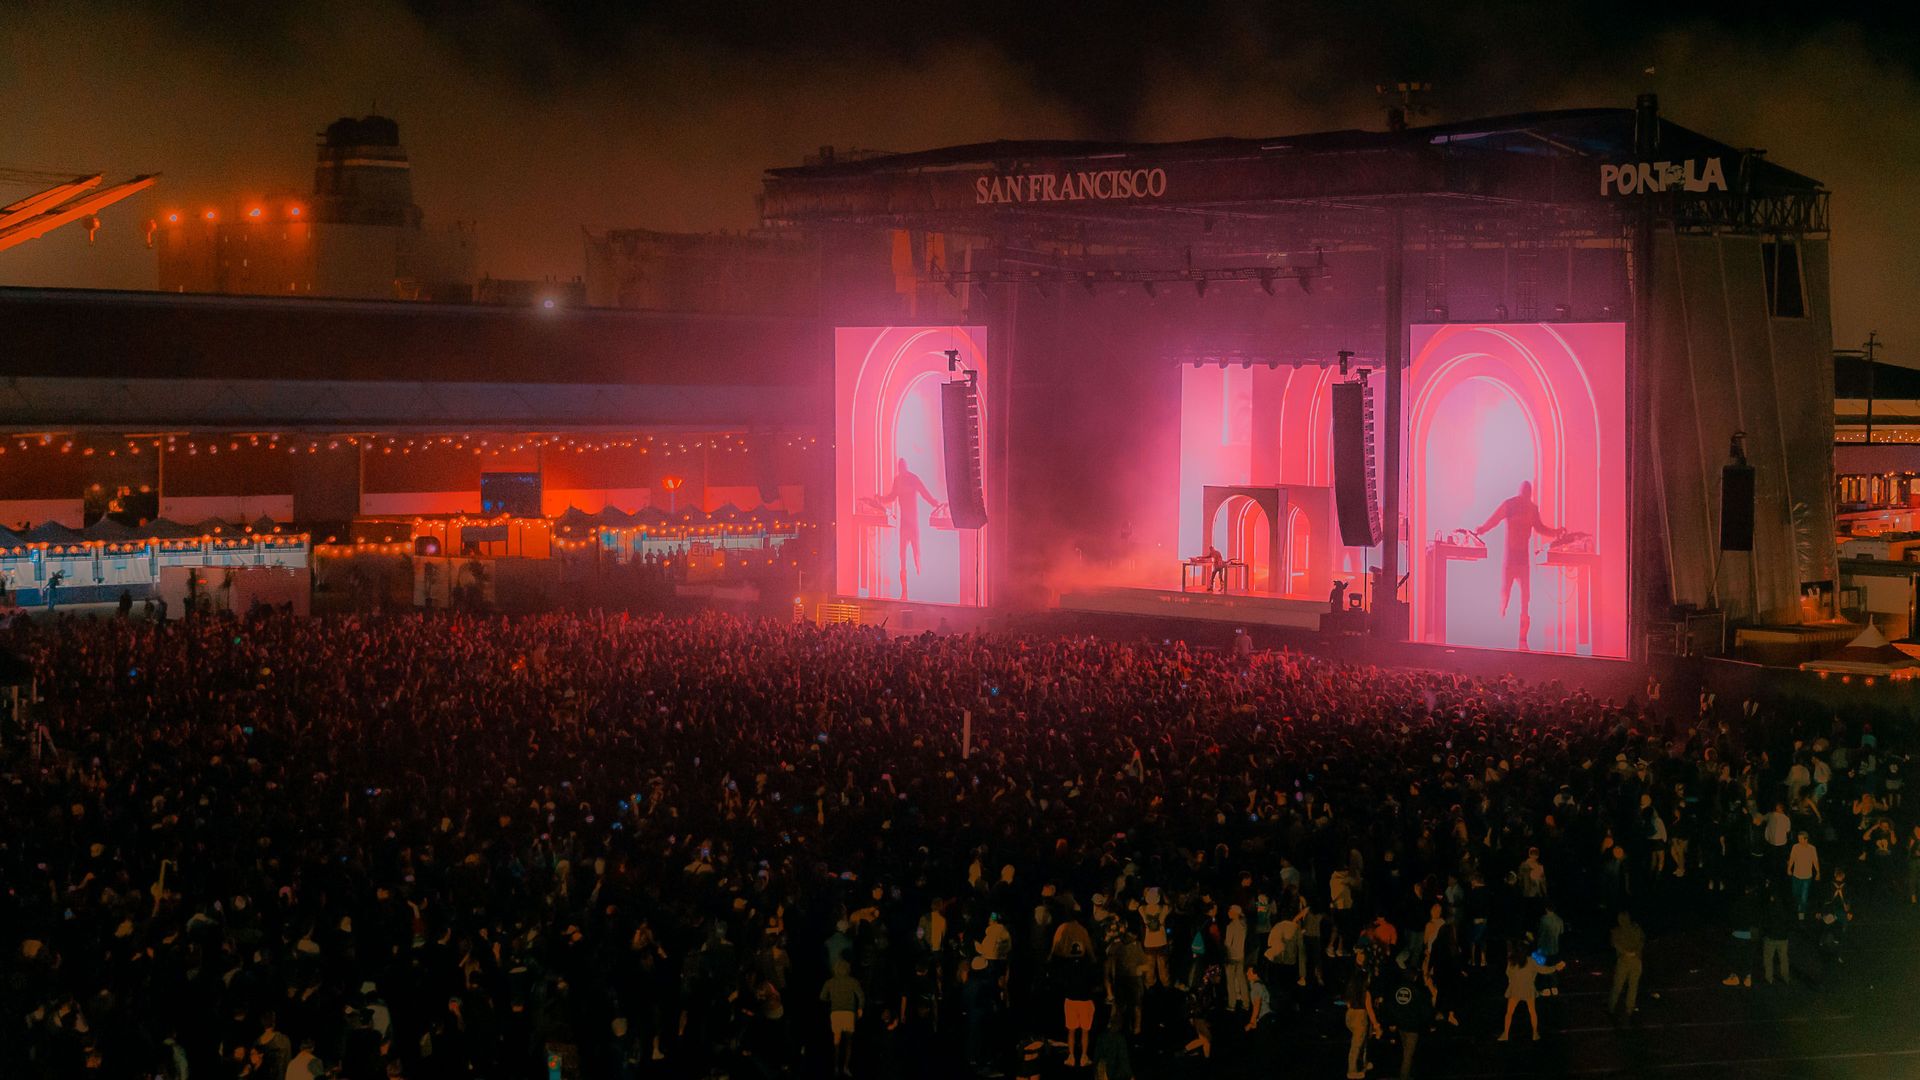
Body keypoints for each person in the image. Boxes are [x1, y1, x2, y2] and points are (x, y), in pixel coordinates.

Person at [1471, 479, 1565, 648]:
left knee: (1519, 598)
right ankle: (1505, 628)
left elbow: (1539, 528)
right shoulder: (1518, 506)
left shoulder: (1524, 507)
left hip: (1518, 560)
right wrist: (1483, 528)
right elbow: (1497, 519)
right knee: (1511, 596)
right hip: (1515, 560)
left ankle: (1518, 635)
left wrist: (1556, 533)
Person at [879, 457, 935, 600]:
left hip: (913, 523)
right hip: (905, 523)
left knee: (916, 555)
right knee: (902, 557)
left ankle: (921, 581)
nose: (901, 471)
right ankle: (904, 592)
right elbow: (892, 497)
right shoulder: (898, 480)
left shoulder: (913, 479)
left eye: (902, 468)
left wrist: (934, 503)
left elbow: (924, 493)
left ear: (905, 467)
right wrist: (880, 499)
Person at [1497, 943, 1563, 1041]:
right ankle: (1535, 1033)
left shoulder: (1511, 960)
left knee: (1509, 1012)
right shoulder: (1531, 961)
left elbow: (1508, 973)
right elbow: (1543, 970)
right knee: (1532, 1011)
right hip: (1528, 989)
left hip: (1515, 990)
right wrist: (1555, 967)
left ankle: (1506, 1034)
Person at [1343, 947, 1383, 1080]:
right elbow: (1369, 1009)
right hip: (1360, 1016)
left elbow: (1347, 1001)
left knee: (1362, 1041)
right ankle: (1352, 1070)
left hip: (1350, 1014)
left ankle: (1363, 1063)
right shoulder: (1366, 990)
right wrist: (1376, 1025)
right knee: (1357, 1044)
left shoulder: (1352, 983)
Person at [821, 958, 865, 1077]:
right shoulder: (853, 981)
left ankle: (835, 1067)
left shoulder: (829, 982)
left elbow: (822, 997)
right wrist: (860, 1008)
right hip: (849, 1014)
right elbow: (861, 996)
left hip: (836, 1014)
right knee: (848, 1043)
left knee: (836, 1043)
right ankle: (846, 1067)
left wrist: (831, 999)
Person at [1607, 912, 1646, 1023]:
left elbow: (1615, 944)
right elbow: (1642, 941)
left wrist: (1625, 952)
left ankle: (1611, 1007)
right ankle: (1629, 1009)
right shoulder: (1636, 929)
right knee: (1633, 986)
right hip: (1636, 961)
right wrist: (1635, 952)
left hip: (1624, 961)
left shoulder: (1616, 931)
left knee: (1618, 985)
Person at [1788, 831, 1821, 916]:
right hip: (1796, 876)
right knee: (1795, 893)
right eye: (1798, 839)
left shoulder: (1812, 848)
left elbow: (1815, 861)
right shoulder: (1795, 847)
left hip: (1807, 877)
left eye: (1801, 839)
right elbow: (1792, 858)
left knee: (1804, 897)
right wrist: (1789, 868)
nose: (1799, 840)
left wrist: (1818, 872)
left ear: (1806, 839)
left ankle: (1801, 912)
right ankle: (1798, 905)